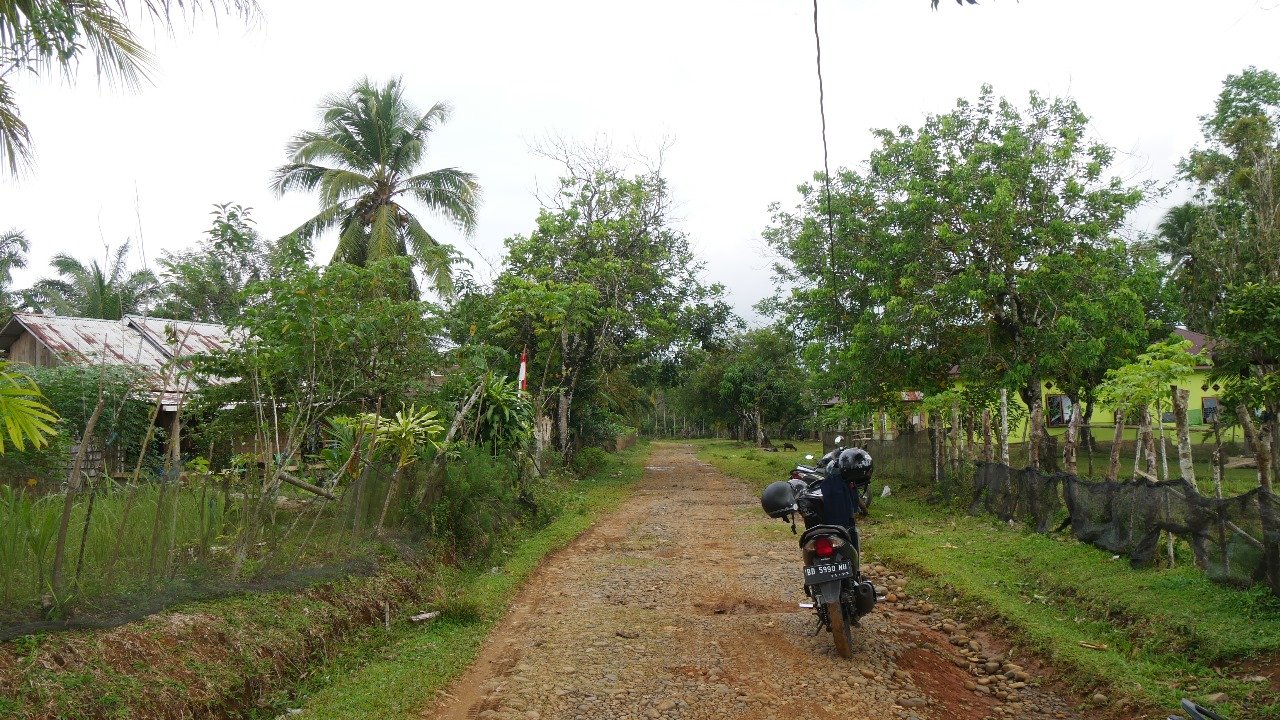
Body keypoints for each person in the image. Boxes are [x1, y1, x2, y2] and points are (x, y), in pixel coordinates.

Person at [819, 447, 872, 550]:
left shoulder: (829, 481)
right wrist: (864, 512)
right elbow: (856, 506)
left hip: (829, 526)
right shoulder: (847, 483)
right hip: (843, 527)